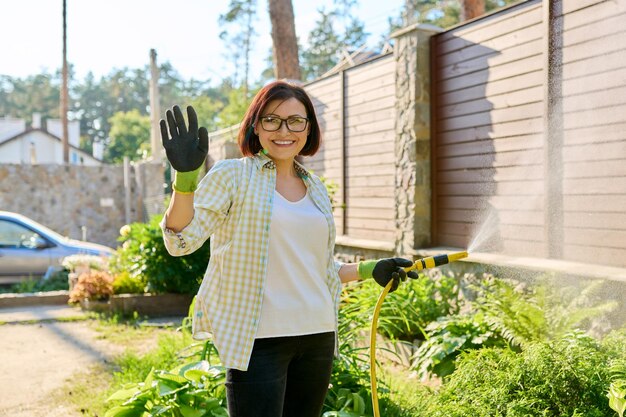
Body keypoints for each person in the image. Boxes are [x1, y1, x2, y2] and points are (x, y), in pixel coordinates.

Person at [159, 80, 418, 417]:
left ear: (309, 129)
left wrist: (371, 270)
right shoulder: (233, 176)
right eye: (272, 120)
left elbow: (320, 268)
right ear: (255, 125)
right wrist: (185, 178)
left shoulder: (316, 189)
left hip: (317, 335)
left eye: (296, 121)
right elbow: (180, 240)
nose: (284, 130)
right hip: (258, 340)